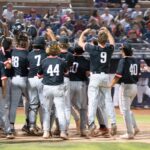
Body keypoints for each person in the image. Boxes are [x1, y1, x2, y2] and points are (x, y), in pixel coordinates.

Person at [78, 27, 115, 136]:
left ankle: (91, 124)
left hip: (95, 76)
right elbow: (112, 42)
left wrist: (83, 32)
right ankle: (113, 123)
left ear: (98, 40)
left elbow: (80, 42)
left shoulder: (93, 48)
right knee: (108, 100)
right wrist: (108, 32)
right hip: (105, 77)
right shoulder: (109, 48)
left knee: (93, 101)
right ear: (106, 40)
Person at [37, 41, 68, 140]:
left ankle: (46, 132)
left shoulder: (44, 61)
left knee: (46, 111)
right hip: (58, 87)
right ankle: (63, 132)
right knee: (60, 110)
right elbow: (66, 72)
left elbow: (39, 75)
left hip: (47, 87)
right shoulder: (62, 61)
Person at [110, 43, 140, 139]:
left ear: (124, 51)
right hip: (134, 86)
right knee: (126, 109)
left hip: (126, 87)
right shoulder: (136, 60)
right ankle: (135, 128)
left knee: (124, 110)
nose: (120, 51)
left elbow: (118, 75)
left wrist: (110, 85)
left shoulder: (123, 60)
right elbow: (138, 75)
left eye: (121, 49)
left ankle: (129, 133)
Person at [9, 32, 30, 134]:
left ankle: (11, 126)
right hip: (24, 79)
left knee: (13, 104)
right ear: (25, 43)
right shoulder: (27, 54)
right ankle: (28, 124)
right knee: (31, 102)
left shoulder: (13, 52)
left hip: (14, 79)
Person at [27, 36, 47, 134]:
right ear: (43, 45)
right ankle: (45, 127)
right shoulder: (45, 54)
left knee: (33, 104)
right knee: (44, 104)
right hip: (41, 79)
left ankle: (31, 126)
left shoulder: (29, 54)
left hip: (31, 79)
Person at [69, 46, 90, 137]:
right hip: (81, 83)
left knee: (66, 104)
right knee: (82, 107)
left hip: (69, 83)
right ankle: (84, 128)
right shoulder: (85, 60)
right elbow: (87, 74)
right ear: (82, 52)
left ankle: (64, 128)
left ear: (74, 52)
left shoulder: (70, 59)